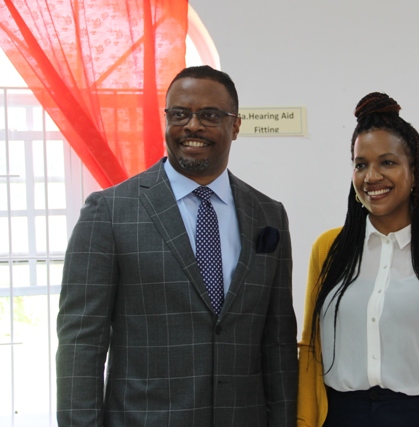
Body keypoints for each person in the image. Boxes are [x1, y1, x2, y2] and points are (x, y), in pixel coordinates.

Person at [56, 65, 298, 427]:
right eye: (179, 114)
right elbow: (81, 344)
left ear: (235, 125)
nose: (192, 126)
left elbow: (278, 343)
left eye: (210, 115)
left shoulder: (269, 215)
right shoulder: (108, 212)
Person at [297, 92, 419, 427]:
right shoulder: (328, 248)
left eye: (387, 162)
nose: (371, 177)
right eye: (361, 164)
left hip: (414, 415)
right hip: (338, 415)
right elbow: (310, 348)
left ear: (415, 172)